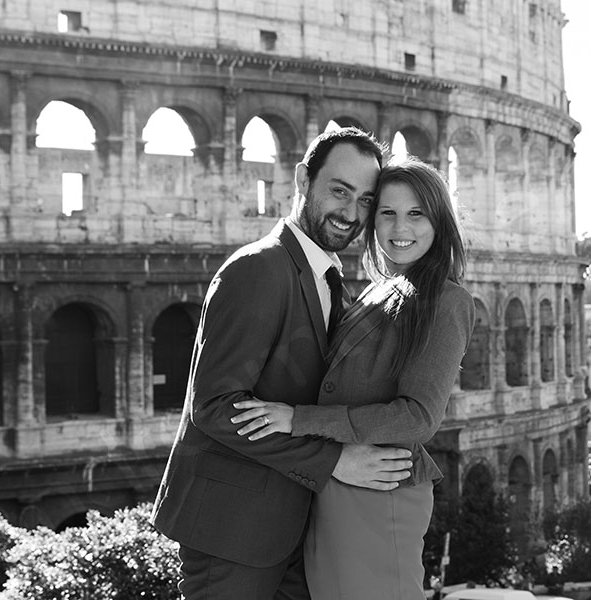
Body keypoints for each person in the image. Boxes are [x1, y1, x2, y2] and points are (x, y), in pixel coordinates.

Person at [150, 127, 415, 600]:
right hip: (232, 531)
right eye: (339, 191)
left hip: (292, 527)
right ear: (302, 180)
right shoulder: (258, 268)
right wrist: (335, 461)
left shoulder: (330, 279)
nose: (350, 214)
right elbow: (215, 406)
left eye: (365, 200)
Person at [232, 157, 475, 599]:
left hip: (381, 493)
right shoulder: (378, 287)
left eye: (416, 213)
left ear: (439, 221)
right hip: (339, 484)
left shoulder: (446, 299)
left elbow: (418, 418)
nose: (401, 226)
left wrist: (297, 419)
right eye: (387, 212)